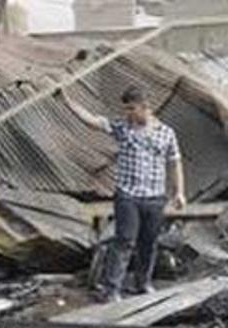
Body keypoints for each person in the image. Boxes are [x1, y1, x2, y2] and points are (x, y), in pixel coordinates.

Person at [58, 85, 186, 298]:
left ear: (146, 107)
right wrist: (66, 100)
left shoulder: (166, 133)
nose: (127, 113)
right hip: (128, 196)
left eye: (131, 109)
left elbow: (175, 163)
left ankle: (143, 283)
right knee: (124, 241)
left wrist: (179, 192)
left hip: (154, 198)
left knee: (149, 243)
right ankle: (112, 289)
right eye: (125, 109)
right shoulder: (122, 128)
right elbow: (92, 121)